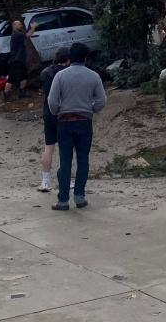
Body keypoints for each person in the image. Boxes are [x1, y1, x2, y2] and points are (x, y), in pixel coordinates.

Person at [46, 42, 106, 211]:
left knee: (65, 162)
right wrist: (90, 109)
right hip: (84, 121)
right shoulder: (93, 76)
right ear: (85, 58)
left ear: (70, 57)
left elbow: (52, 100)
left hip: (64, 122)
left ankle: (63, 200)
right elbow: (102, 101)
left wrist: (57, 112)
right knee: (83, 160)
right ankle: (79, 197)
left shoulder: (60, 76)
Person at [38, 47, 70, 192]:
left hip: (48, 113)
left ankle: (44, 182)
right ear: (67, 60)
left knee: (49, 147)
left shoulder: (45, 72)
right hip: (63, 114)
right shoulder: (65, 74)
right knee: (65, 148)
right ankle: (66, 181)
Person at [4, 19, 29, 101]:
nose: (21, 25)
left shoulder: (17, 34)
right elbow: (28, 35)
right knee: (11, 78)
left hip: (20, 60)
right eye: (19, 24)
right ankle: (6, 96)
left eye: (21, 24)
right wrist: (34, 27)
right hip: (16, 60)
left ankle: (22, 93)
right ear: (14, 26)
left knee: (24, 77)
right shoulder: (18, 34)